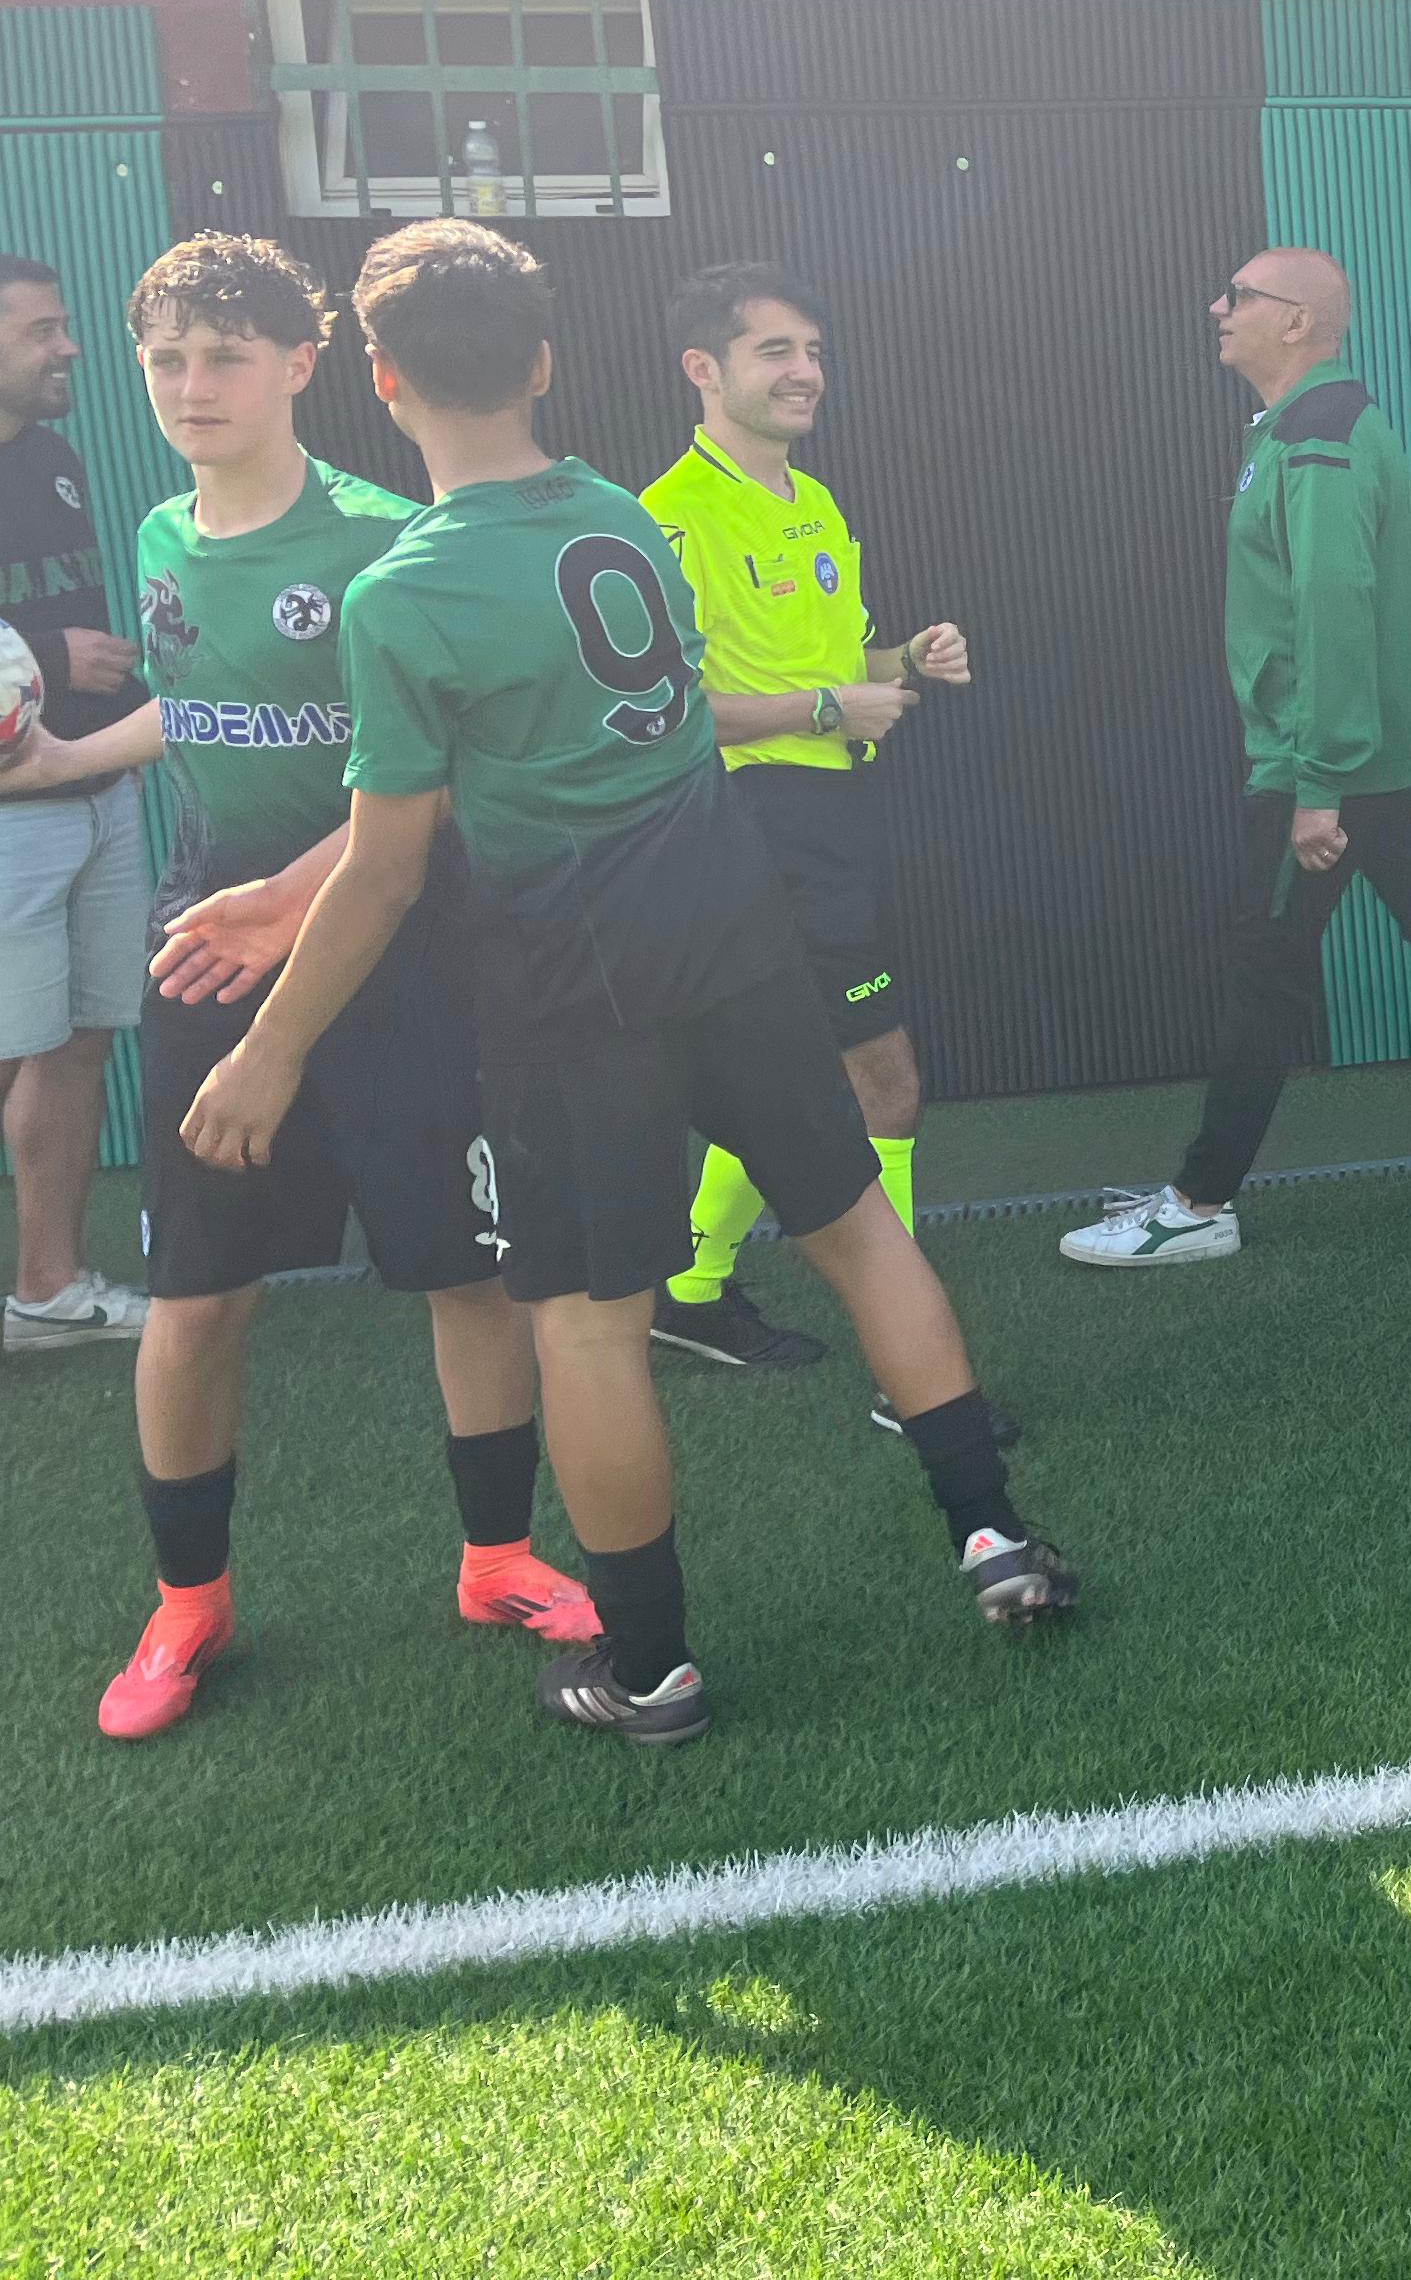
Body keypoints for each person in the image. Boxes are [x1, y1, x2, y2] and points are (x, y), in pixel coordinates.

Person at [182, 220, 1074, 1752]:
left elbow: (390, 867)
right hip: (733, 935)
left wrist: (267, 1049)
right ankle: (993, 1534)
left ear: (378, 381)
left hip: (565, 985)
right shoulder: (621, 515)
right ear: (543, 363)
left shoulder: (403, 594)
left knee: (590, 1324)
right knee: (860, 1232)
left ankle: (651, 1667)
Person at [5, 235, 598, 1737]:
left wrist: (298, 905)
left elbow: (443, 777)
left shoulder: (388, 544)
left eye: (225, 357)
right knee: (197, 1299)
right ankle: (187, 1604)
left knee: (465, 1276)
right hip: (210, 957)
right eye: (166, 361)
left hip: (400, 964)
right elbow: (187, 705)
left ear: (302, 365)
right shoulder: (158, 534)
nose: (191, 386)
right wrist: (62, 757)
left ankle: (498, 1559)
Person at [1069, 250, 1411, 1264]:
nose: (1217, 306)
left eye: (1238, 295)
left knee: (1267, 973)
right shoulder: (1305, 426)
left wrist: (1317, 783)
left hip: (1326, 765)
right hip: (1377, 759)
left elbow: (1333, 610)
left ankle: (1197, 1204)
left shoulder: (1320, 434)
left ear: (1295, 321)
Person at [642, 266, 972, 1397]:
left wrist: (904, 659)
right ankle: (910, 1372)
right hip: (754, 821)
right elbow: (664, 710)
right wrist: (829, 709)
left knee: (779, 1073)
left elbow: (837, 664)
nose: (805, 372)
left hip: (830, 814)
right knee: (884, 1085)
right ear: (704, 368)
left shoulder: (813, 499)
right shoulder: (668, 518)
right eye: (775, 350)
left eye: (814, 350)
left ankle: (690, 1292)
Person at [0, 254, 153, 1358]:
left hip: (101, 790)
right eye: (43, 332)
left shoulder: (53, 456)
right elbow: (44, 643)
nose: (71, 348)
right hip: (12, 811)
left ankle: (48, 1289)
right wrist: (52, 656)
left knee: (79, 1039)